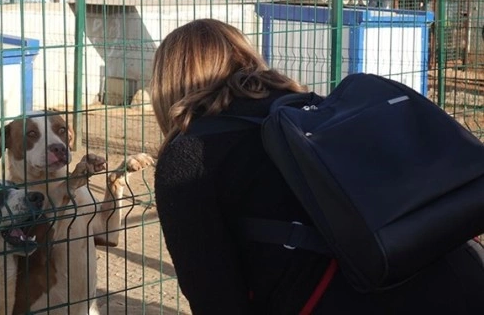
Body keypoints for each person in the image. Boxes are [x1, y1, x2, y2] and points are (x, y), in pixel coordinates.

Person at [150, 18, 484, 314]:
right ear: (246, 58)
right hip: (458, 272)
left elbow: (215, 299)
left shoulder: (187, 156)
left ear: (168, 85)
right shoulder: (308, 110)